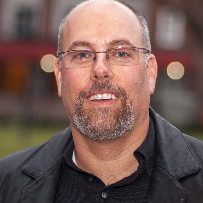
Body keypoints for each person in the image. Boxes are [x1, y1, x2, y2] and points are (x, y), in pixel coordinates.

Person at [1, 0, 203, 202]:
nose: (100, 70)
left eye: (121, 53)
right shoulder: (6, 183)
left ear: (150, 72)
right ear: (60, 76)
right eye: (81, 55)